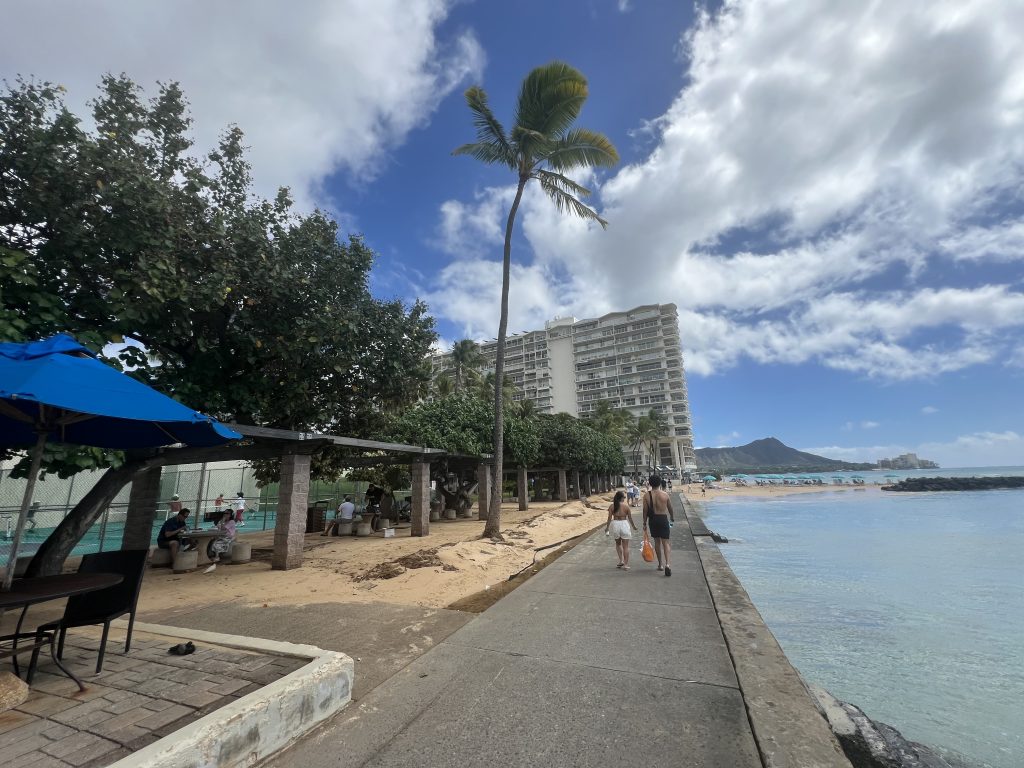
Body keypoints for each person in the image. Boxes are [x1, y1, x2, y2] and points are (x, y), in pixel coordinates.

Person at [642, 474, 676, 577]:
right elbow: (670, 508)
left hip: (653, 520)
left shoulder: (646, 495)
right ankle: (668, 564)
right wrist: (672, 517)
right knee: (666, 543)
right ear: (660, 483)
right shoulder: (665, 494)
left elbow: (645, 510)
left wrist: (644, 522)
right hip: (663, 518)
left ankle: (660, 564)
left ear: (650, 483)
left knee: (657, 542)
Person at [604, 490, 637, 569]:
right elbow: (630, 518)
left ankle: (621, 561)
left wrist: (607, 528)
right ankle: (625, 565)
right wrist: (633, 526)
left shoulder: (612, 506)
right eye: (624, 497)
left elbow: (609, 518)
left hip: (616, 524)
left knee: (618, 544)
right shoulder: (626, 506)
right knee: (625, 546)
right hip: (624, 524)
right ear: (621, 498)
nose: (624, 499)